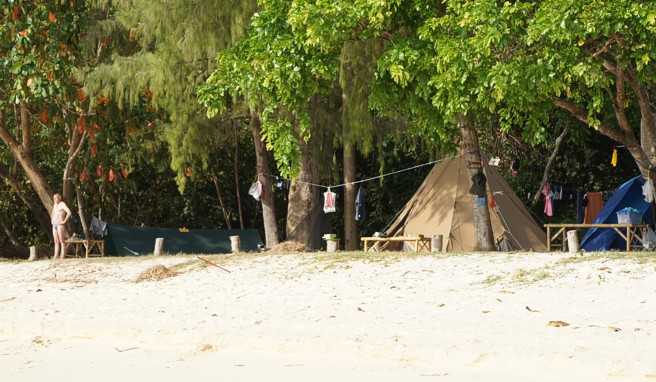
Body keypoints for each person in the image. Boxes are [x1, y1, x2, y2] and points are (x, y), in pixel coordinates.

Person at [51, 193, 72, 259]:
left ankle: (62, 256)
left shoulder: (62, 204)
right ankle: (55, 255)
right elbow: (53, 213)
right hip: (54, 224)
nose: (54, 199)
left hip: (60, 224)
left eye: (56, 198)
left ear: (59, 198)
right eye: (54, 198)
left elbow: (69, 212)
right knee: (56, 241)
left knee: (62, 241)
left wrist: (64, 221)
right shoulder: (55, 205)